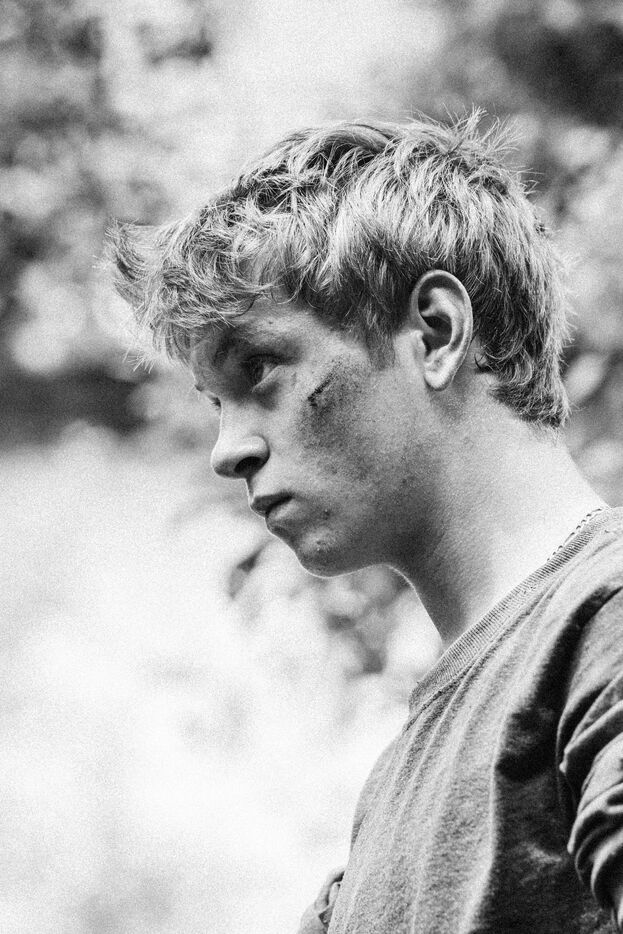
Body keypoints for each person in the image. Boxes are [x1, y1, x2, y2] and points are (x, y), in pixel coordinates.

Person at [108, 113, 623, 933]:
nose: (226, 451)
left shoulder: (604, 620)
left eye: (259, 368)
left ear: (435, 334)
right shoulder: (392, 799)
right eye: (215, 404)